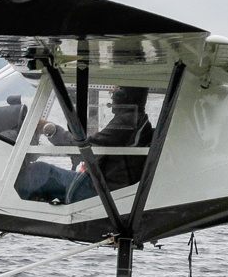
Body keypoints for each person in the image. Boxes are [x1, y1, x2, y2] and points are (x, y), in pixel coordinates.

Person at [16, 86, 151, 204]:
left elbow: (83, 147)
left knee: (38, 172)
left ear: (122, 97)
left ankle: (17, 210)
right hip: (106, 187)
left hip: (100, 191)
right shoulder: (137, 120)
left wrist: (48, 128)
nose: (112, 97)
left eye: (114, 93)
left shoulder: (128, 122)